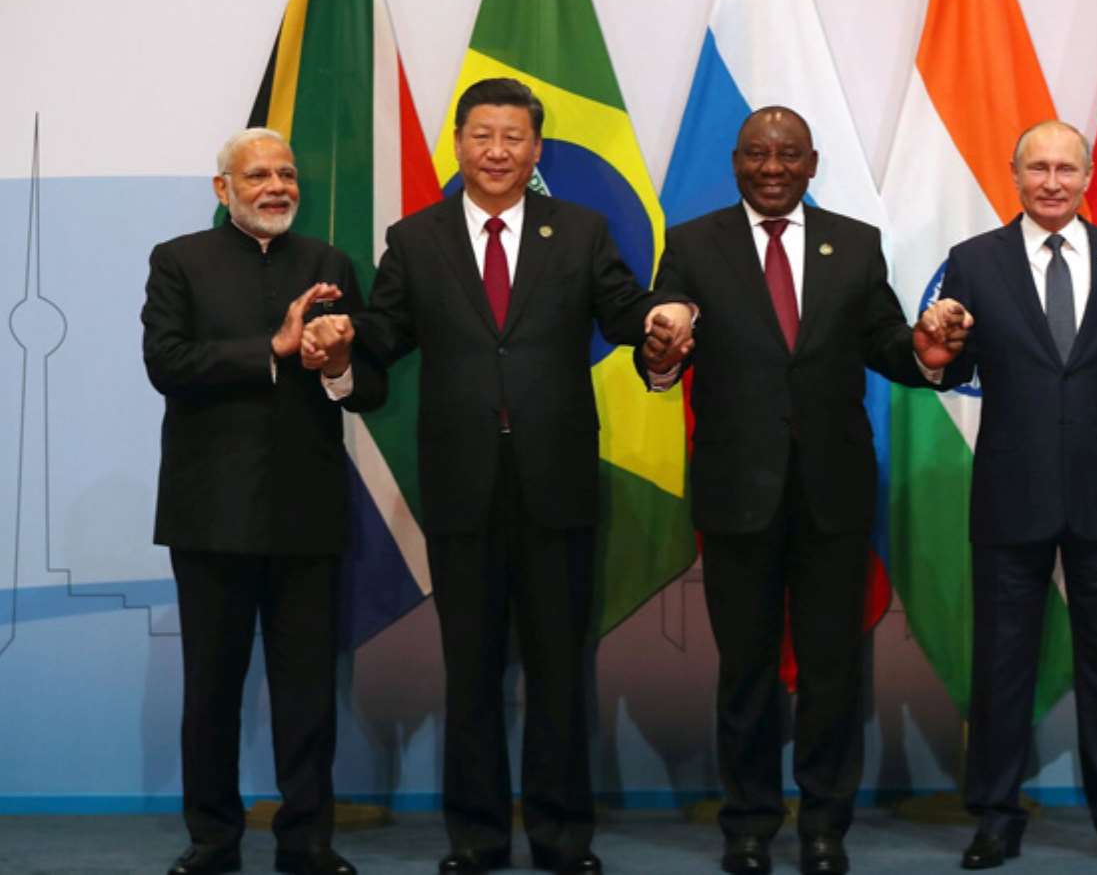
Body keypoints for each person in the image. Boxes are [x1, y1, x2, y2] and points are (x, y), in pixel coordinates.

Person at [304, 78, 691, 875]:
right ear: (459, 142)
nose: (497, 151)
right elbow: (385, 334)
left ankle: (562, 836)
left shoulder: (579, 231)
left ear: (535, 148)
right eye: (482, 135)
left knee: (559, 671)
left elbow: (624, 310)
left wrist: (661, 321)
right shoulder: (417, 237)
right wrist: (341, 350)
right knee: (472, 671)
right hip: (462, 487)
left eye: (513, 137)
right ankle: (475, 837)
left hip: (557, 484)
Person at [636, 106, 969, 875]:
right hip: (736, 493)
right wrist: (660, 350)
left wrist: (926, 352)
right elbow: (663, 343)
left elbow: (885, 342)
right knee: (745, 673)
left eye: (788, 155)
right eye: (757, 154)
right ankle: (748, 827)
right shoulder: (692, 244)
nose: (772, 168)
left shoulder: (853, 243)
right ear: (736, 162)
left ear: (811, 164)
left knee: (831, 671)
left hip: (832, 492)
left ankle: (824, 827)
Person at [936, 120, 1097, 871]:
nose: (1051, 182)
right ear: (1013, 175)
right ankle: (995, 818)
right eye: (1037, 168)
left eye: (1065, 169)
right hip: (1010, 491)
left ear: (1088, 176)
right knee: (1002, 663)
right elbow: (950, 366)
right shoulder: (973, 260)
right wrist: (937, 347)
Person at [141, 127, 385, 875]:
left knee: (306, 693)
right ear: (224, 190)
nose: (277, 187)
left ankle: (307, 841)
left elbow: (370, 388)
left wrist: (338, 363)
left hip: (306, 512)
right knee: (211, 691)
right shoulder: (179, 260)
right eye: (258, 176)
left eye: (287, 174)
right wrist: (273, 350)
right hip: (209, 514)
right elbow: (166, 363)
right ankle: (213, 839)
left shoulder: (328, 263)